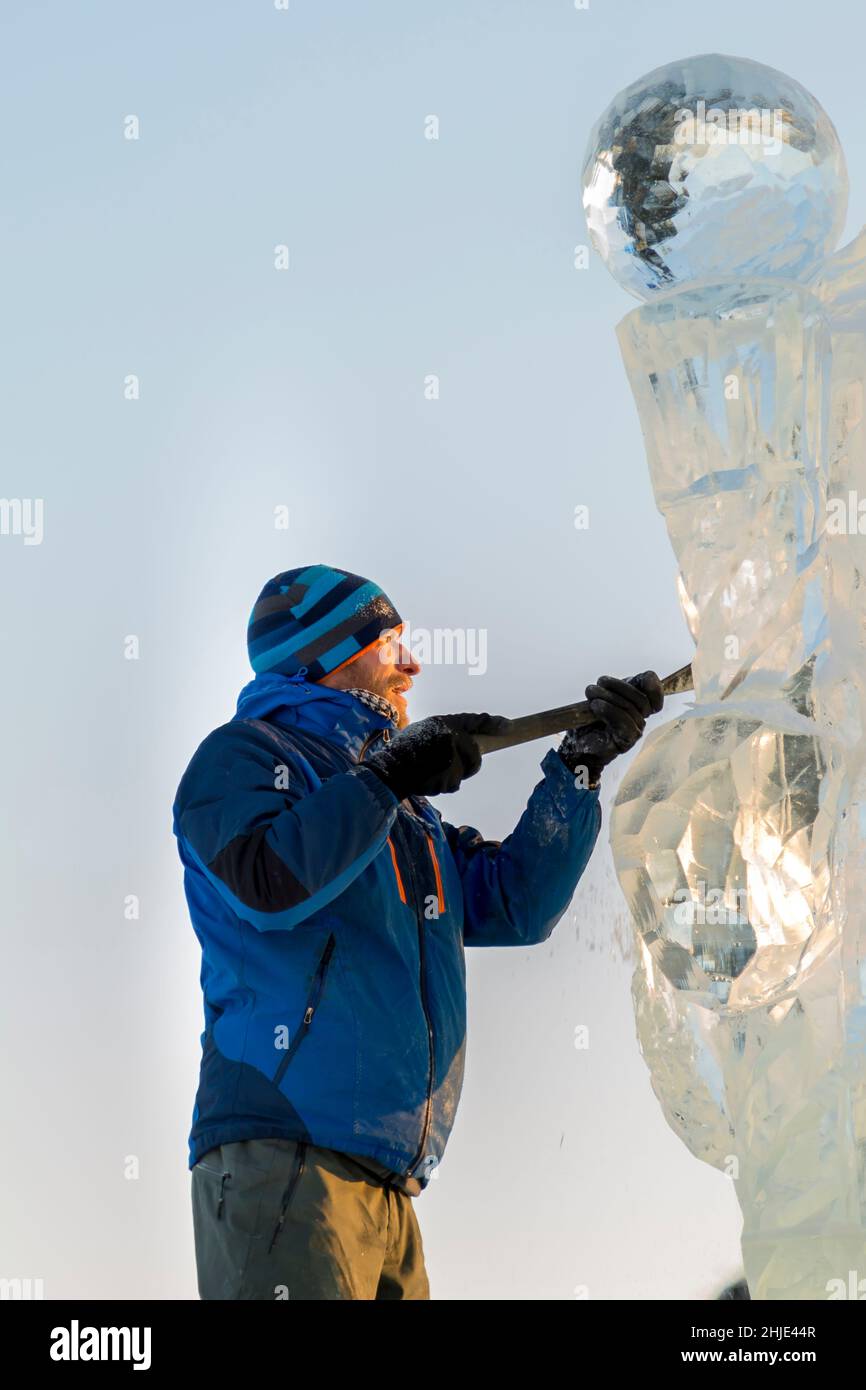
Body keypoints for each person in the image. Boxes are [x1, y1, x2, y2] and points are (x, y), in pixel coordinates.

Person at [172, 564, 663, 1300]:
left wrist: (579, 767)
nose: (412, 663)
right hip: (284, 1157)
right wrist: (388, 778)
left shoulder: (404, 814)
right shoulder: (243, 758)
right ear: (327, 654)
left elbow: (515, 904)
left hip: (393, 1186)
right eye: (389, 641)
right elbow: (269, 883)